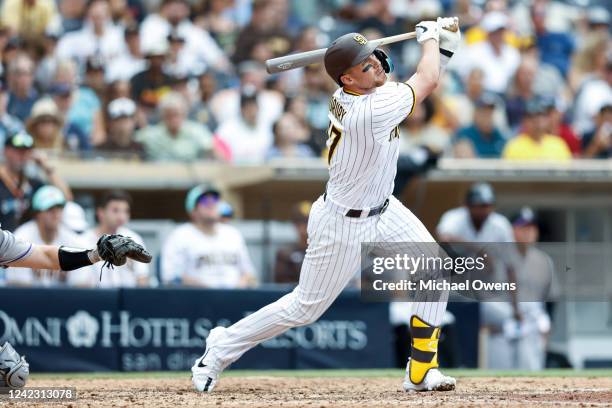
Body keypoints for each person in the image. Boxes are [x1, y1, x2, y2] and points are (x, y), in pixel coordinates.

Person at [191, 18, 461, 393]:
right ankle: (220, 347)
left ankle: (421, 370)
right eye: (366, 66)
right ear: (347, 80)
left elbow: (422, 78)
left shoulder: (364, 93)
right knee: (304, 308)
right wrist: (432, 39)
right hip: (344, 222)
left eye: (375, 58)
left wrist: (444, 46)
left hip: (383, 207)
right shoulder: (369, 110)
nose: (378, 66)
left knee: (435, 267)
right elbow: (426, 79)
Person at [161, 184, 257, 288]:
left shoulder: (233, 234)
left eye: (215, 200)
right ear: (193, 211)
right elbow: (170, 277)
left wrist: (240, 286)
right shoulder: (180, 236)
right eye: (205, 201)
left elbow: (250, 275)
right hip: (195, 300)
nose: (211, 204)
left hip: (236, 299)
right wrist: (204, 288)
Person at [6, 185, 86, 286]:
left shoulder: (73, 241)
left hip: (65, 300)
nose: (56, 214)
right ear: (37, 213)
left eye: (59, 208)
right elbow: (19, 287)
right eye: (50, 209)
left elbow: (81, 285)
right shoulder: (21, 238)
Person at [0, 132, 72, 232]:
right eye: (18, 151)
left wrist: (46, 167)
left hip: (26, 242)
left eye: (27, 151)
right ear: (6, 151)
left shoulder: (32, 183)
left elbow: (66, 198)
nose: (23, 155)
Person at [77, 190, 150, 287]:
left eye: (126, 211)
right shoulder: (83, 241)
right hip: (95, 298)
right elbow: (79, 284)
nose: (121, 216)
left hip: (128, 298)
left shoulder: (134, 239)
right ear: (100, 213)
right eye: (115, 210)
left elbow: (143, 279)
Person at [135, 92, 214, 161]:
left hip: (191, 175)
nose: (173, 119)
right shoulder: (150, 134)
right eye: (168, 115)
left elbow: (212, 150)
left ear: (184, 114)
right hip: (158, 176)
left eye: (176, 114)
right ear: (161, 116)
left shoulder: (198, 131)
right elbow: (131, 141)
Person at [502, 99, 571, 161]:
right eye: (531, 117)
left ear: (547, 119)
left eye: (541, 115)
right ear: (524, 121)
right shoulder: (514, 146)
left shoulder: (558, 145)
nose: (537, 121)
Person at [454, 94, 507, 158]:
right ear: (475, 114)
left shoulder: (498, 134)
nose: (487, 117)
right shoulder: (464, 134)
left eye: (490, 112)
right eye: (483, 112)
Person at [273, 201, 310, 284]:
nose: (305, 227)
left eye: (309, 222)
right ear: (295, 225)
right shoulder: (285, 254)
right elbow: (282, 285)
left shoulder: (325, 252)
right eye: (301, 223)